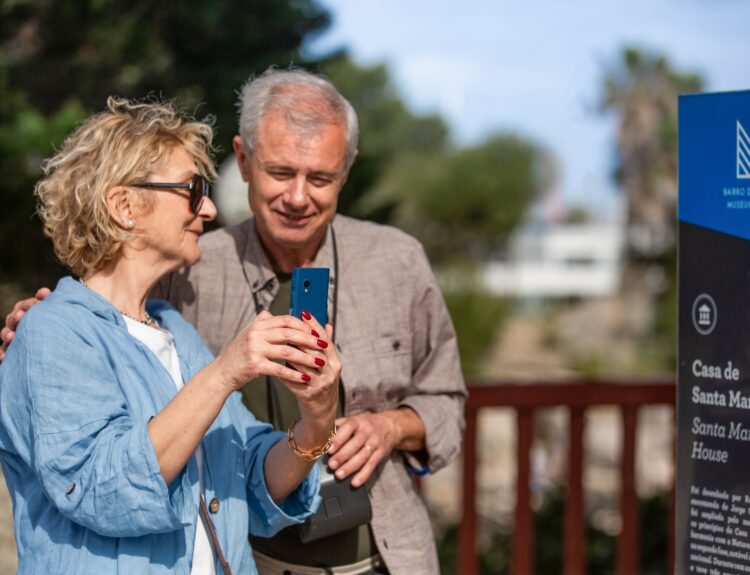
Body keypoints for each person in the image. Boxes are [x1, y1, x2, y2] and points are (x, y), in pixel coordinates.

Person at [2, 68, 467, 575]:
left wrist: (342, 422)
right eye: (281, 172)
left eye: (320, 178)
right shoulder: (181, 275)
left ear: (346, 170)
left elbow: (249, 465)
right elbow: (100, 323)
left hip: (385, 556)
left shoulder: (396, 261)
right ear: (244, 160)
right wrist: (43, 324)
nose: (297, 196)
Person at [0, 96, 341, 574]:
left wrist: (316, 417)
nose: (207, 209)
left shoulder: (176, 331)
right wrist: (225, 372)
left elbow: (250, 475)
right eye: (192, 188)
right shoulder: (53, 331)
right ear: (124, 206)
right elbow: (103, 490)